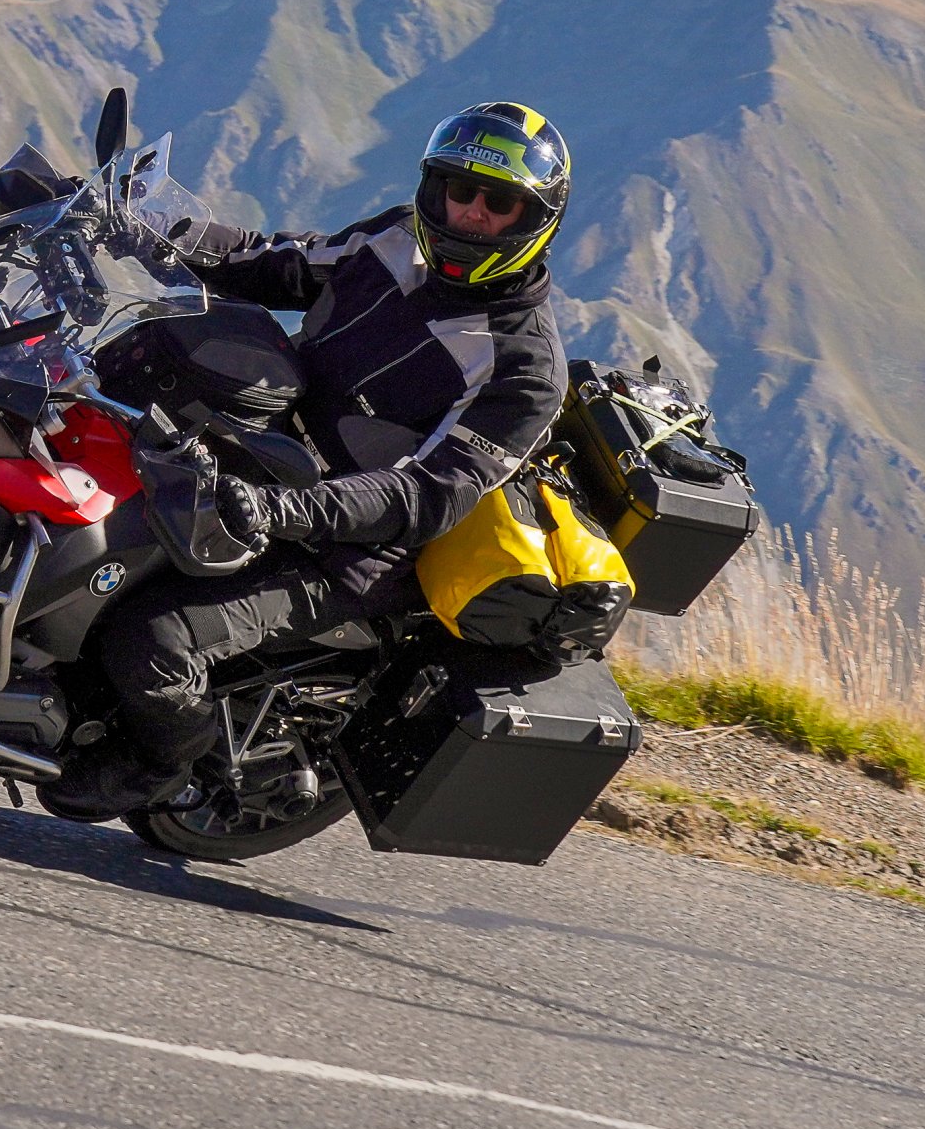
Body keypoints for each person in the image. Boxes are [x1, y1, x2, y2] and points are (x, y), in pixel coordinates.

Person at [39, 101, 574, 823]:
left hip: (347, 550)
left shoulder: (523, 367)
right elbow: (272, 263)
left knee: (152, 639)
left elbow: (425, 497)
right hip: (262, 459)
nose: (474, 211)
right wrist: (141, 228)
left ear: (533, 218)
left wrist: (282, 511)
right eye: (461, 189)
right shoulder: (395, 239)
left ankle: (161, 761)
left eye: (501, 202)